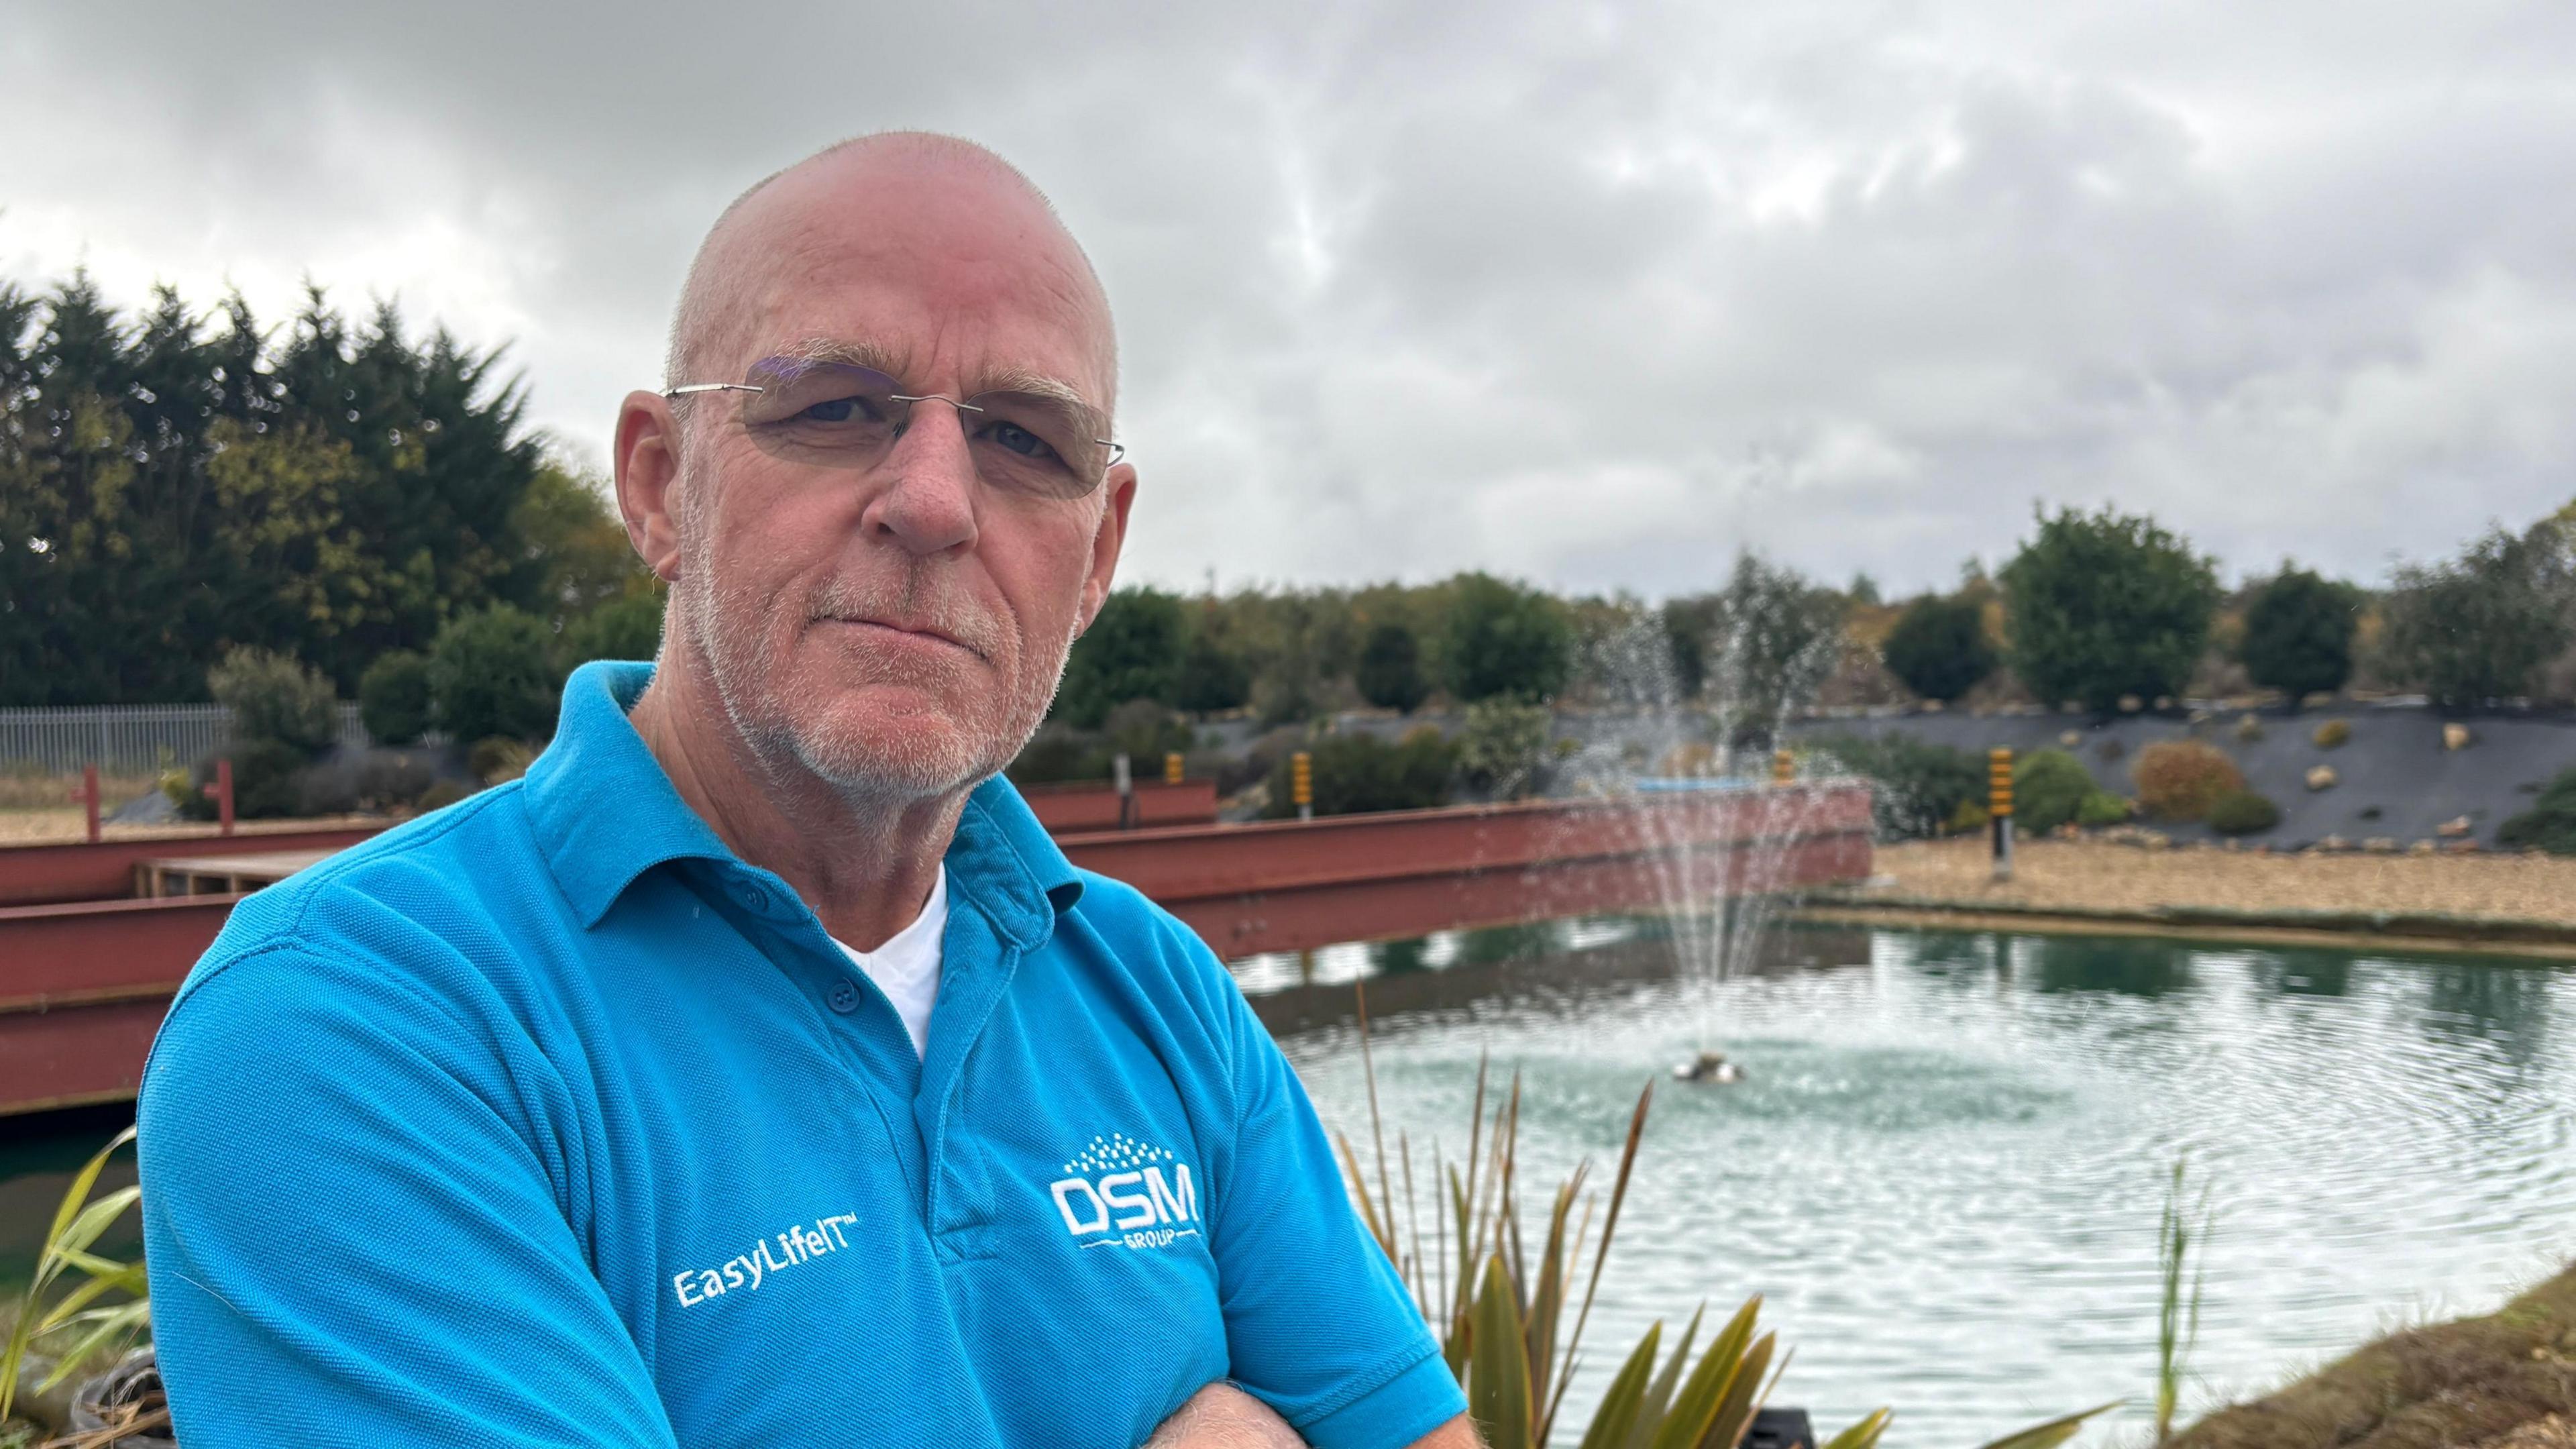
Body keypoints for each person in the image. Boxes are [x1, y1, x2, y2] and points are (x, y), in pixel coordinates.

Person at [136, 133, 1476, 1449]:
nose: (936, 500)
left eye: (1023, 441)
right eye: (835, 408)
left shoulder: (1155, 990)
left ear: (1097, 554)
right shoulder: (355, 1019)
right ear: (660, 486)